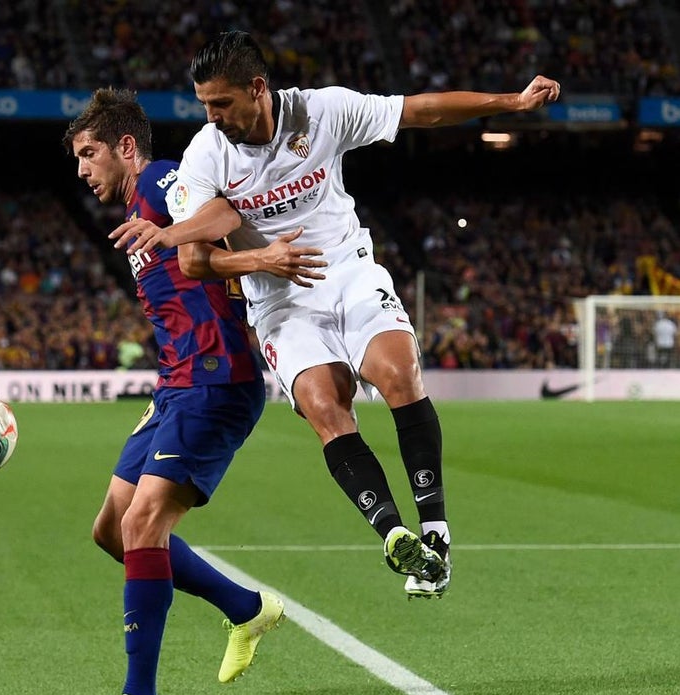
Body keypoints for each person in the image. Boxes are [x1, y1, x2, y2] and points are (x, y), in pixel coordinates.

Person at [154, 30, 561, 599]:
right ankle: (396, 535)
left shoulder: (322, 111)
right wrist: (261, 258)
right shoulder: (205, 156)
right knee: (325, 405)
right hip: (279, 297)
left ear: (257, 88)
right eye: (204, 105)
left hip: (346, 266)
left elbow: (418, 110)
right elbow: (195, 260)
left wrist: (511, 103)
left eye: (220, 103)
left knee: (398, 373)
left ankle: (436, 530)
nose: (212, 116)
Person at [61, 88, 292, 695]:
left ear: (125, 147)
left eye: (90, 153)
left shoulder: (163, 181)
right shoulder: (136, 203)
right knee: (111, 529)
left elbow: (220, 215)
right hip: (174, 387)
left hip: (216, 380)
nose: (82, 169)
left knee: (142, 526)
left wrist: (174, 230)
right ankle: (245, 607)